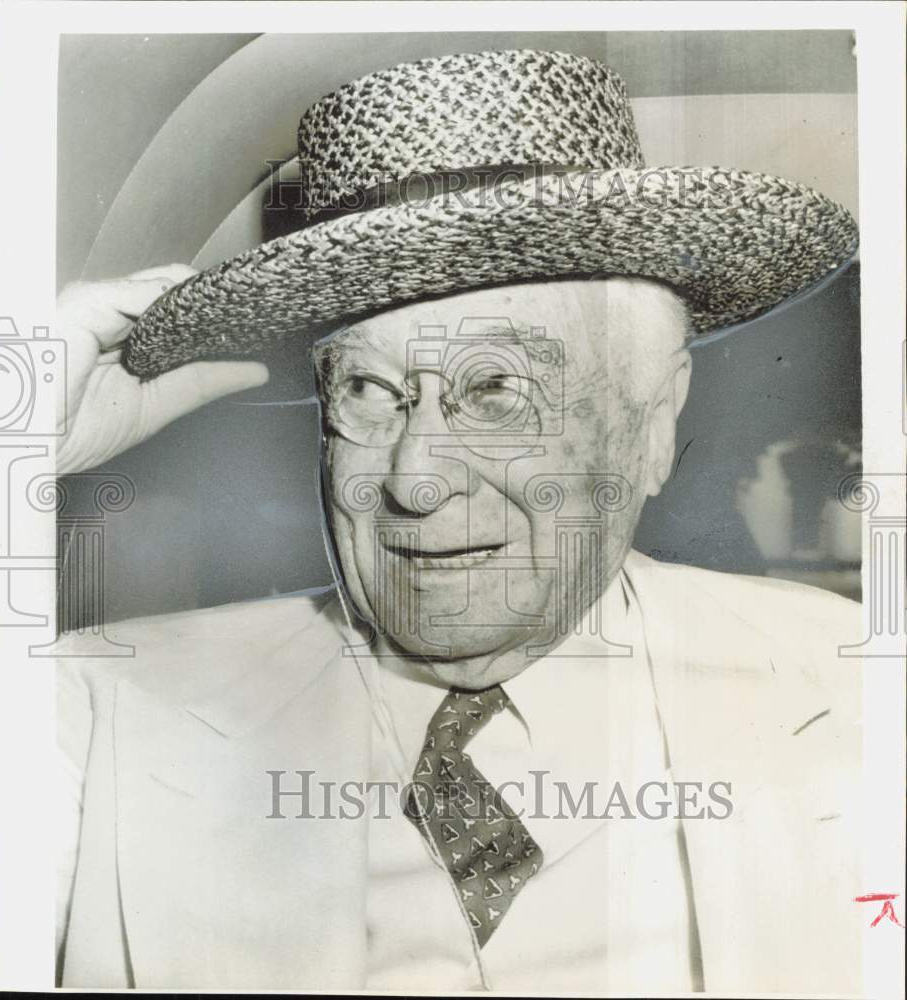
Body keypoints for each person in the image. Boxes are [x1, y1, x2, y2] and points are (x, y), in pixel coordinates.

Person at [56, 49, 864, 993]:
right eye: (368, 389)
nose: (417, 479)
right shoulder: (100, 705)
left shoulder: (856, 695)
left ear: (652, 422)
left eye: (495, 389)